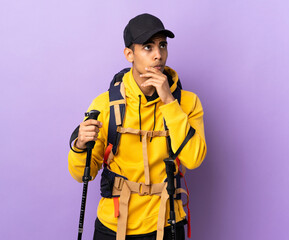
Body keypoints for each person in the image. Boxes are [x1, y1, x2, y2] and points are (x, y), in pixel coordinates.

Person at [68, 13, 207, 240]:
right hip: (113, 225)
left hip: (167, 222)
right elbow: (83, 174)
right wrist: (80, 145)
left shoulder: (187, 102)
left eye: (162, 45)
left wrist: (169, 102)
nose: (158, 55)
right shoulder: (105, 104)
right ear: (129, 54)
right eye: (148, 47)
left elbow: (195, 159)